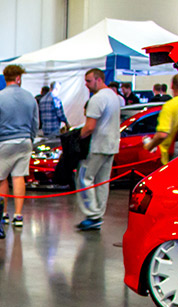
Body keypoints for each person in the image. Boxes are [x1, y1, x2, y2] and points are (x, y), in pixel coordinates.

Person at [0, 64, 38, 227]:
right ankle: (18, 215)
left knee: (1, 179)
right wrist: (30, 138)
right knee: (18, 177)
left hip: (3, 142)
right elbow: (35, 122)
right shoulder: (30, 97)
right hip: (24, 141)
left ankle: (3, 214)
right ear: (18, 78)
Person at [75, 68, 121, 231]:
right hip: (111, 145)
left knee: (84, 178)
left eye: (88, 81)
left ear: (98, 79)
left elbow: (89, 127)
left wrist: (76, 137)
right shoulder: (114, 96)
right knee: (102, 181)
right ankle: (98, 214)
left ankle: (92, 214)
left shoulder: (97, 99)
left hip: (97, 145)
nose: (86, 84)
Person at [144, 74, 178, 165]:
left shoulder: (170, 106)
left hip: (172, 157)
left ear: (172, 86)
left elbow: (162, 134)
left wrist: (149, 146)